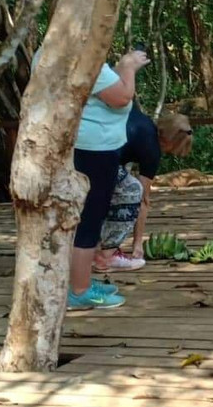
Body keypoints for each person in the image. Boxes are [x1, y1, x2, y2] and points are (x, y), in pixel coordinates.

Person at [44, 47, 150, 310]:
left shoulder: (48, 52)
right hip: (93, 148)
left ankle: (79, 281)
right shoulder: (83, 55)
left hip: (73, 143)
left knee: (78, 215)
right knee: (90, 217)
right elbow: (122, 96)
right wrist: (128, 66)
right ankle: (80, 290)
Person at [96, 108, 193, 271]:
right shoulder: (152, 149)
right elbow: (143, 199)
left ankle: (93, 245)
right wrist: (138, 244)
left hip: (84, 148)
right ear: (169, 142)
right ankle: (108, 254)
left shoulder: (140, 119)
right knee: (132, 190)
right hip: (100, 159)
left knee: (114, 189)